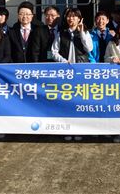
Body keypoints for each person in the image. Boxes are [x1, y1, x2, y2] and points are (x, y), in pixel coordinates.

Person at [52, 8, 93, 141]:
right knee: (67, 101)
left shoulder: (85, 32)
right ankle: (68, 129)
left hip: (81, 71)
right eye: (69, 16)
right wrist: (63, 61)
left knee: (80, 101)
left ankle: (80, 129)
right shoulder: (61, 33)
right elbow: (53, 51)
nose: (71, 19)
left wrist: (81, 32)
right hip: (66, 72)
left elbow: (89, 48)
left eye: (74, 17)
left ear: (79, 19)